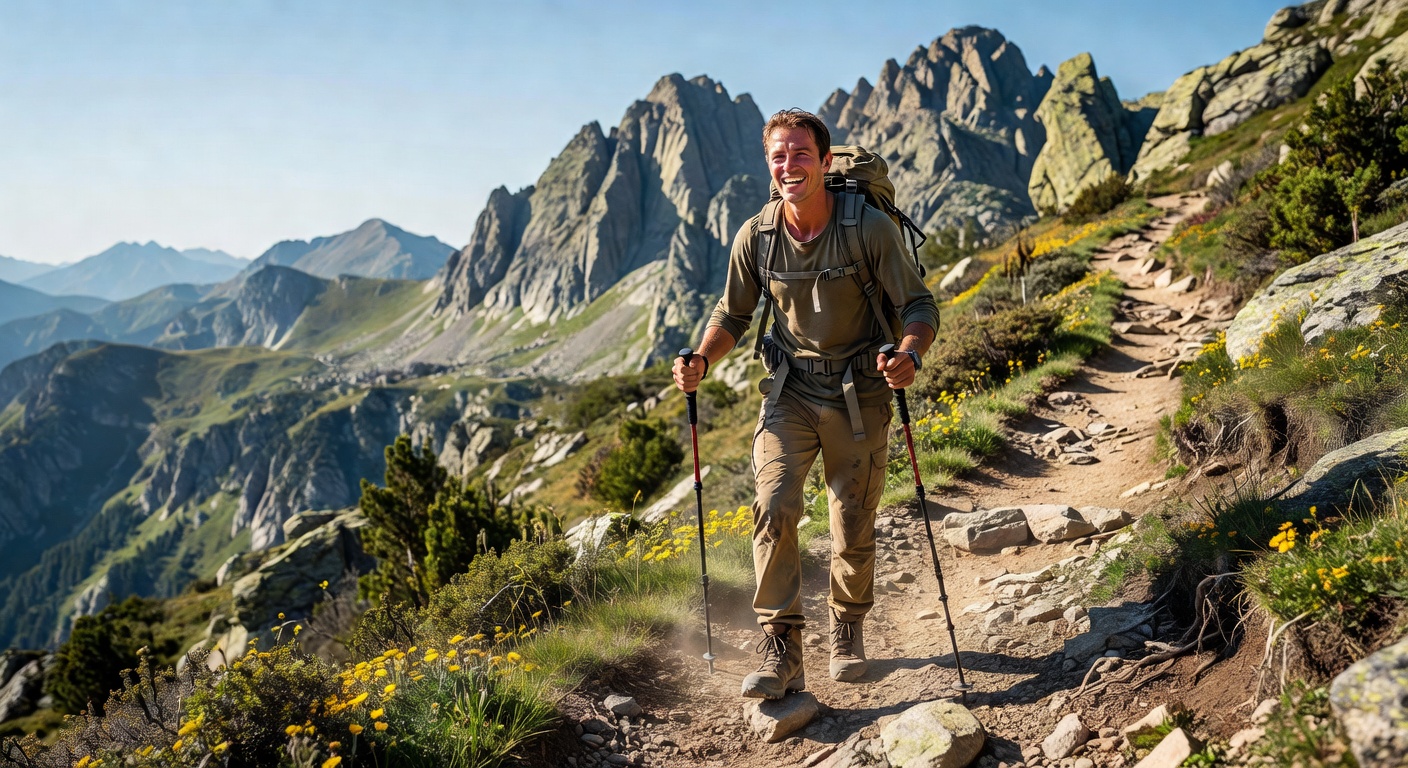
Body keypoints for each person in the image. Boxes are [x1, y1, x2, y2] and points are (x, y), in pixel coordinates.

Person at [672, 108, 939, 699]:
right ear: (769, 167)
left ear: (822, 161)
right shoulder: (757, 236)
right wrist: (703, 360)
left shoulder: (868, 228)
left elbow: (920, 307)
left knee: (852, 519)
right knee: (773, 503)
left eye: (799, 154)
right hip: (790, 389)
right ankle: (780, 645)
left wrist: (910, 355)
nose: (789, 165)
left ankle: (846, 625)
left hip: (862, 390)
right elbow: (733, 314)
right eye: (778, 156)